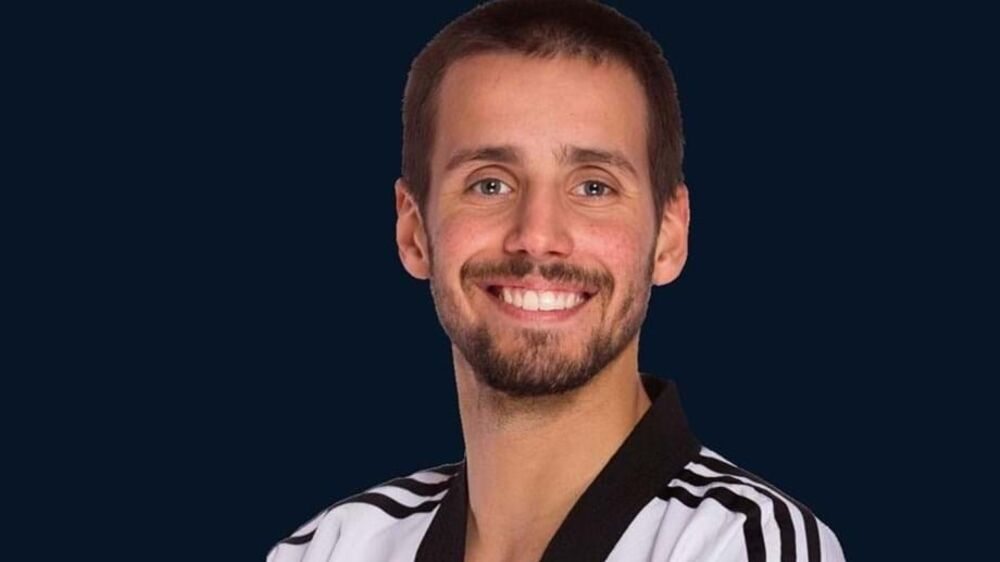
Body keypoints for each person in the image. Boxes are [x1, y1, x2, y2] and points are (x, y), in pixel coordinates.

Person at [268, 0, 845, 560]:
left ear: (669, 237)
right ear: (413, 231)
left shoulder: (746, 545)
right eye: (490, 184)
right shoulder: (329, 548)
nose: (538, 235)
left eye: (593, 187)